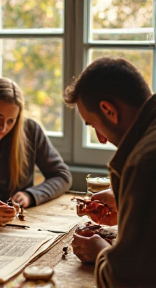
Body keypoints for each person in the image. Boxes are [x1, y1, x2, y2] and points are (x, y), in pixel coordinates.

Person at [64, 57, 156, 287]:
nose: (102, 139)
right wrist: (126, 204)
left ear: (108, 110)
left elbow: (125, 280)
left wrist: (99, 252)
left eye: (95, 125)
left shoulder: (144, 162)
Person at [0, 77, 72, 208]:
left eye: (10, 121)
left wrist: (30, 195)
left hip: (20, 222)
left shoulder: (30, 131)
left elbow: (62, 176)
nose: (3, 128)